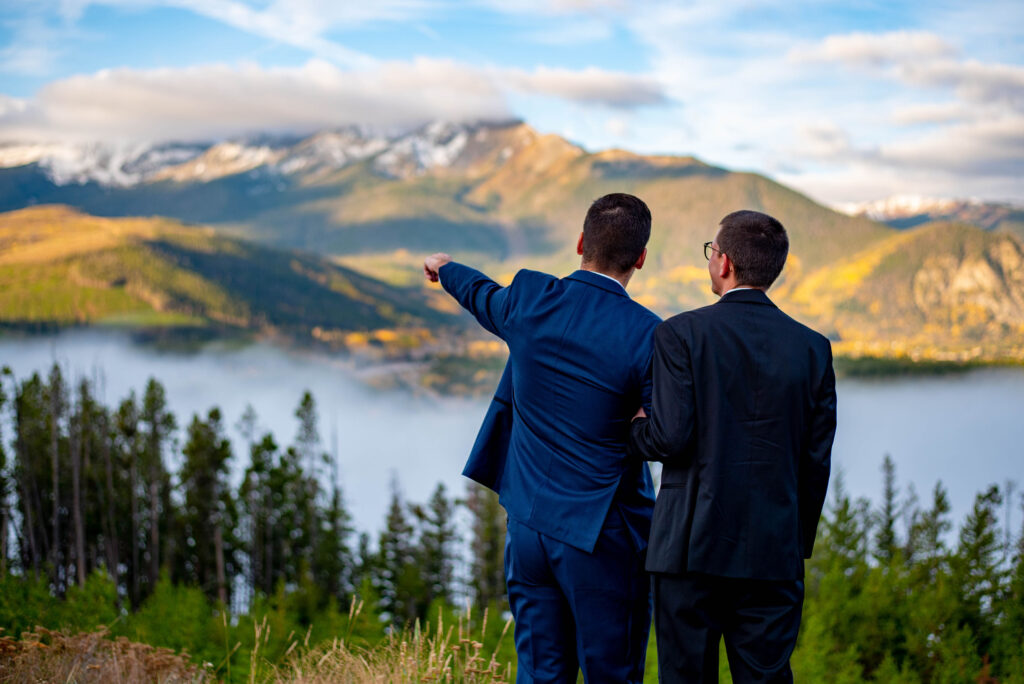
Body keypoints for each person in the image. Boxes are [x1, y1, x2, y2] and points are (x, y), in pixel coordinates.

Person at [423, 193, 660, 683]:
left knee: (539, 673)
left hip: (528, 529)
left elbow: (480, 292)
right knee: (611, 674)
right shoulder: (649, 335)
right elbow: (663, 434)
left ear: (580, 244)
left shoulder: (530, 298)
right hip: (603, 538)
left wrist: (444, 268)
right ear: (639, 258)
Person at [629, 210, 837, 683]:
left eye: (711, 252)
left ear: (723, 263)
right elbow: (815, 461)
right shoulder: (813, 349)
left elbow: (669, 438)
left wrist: (635, 426)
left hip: (687, 549)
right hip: (773, 553)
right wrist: (793, 542)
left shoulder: (679, 334)